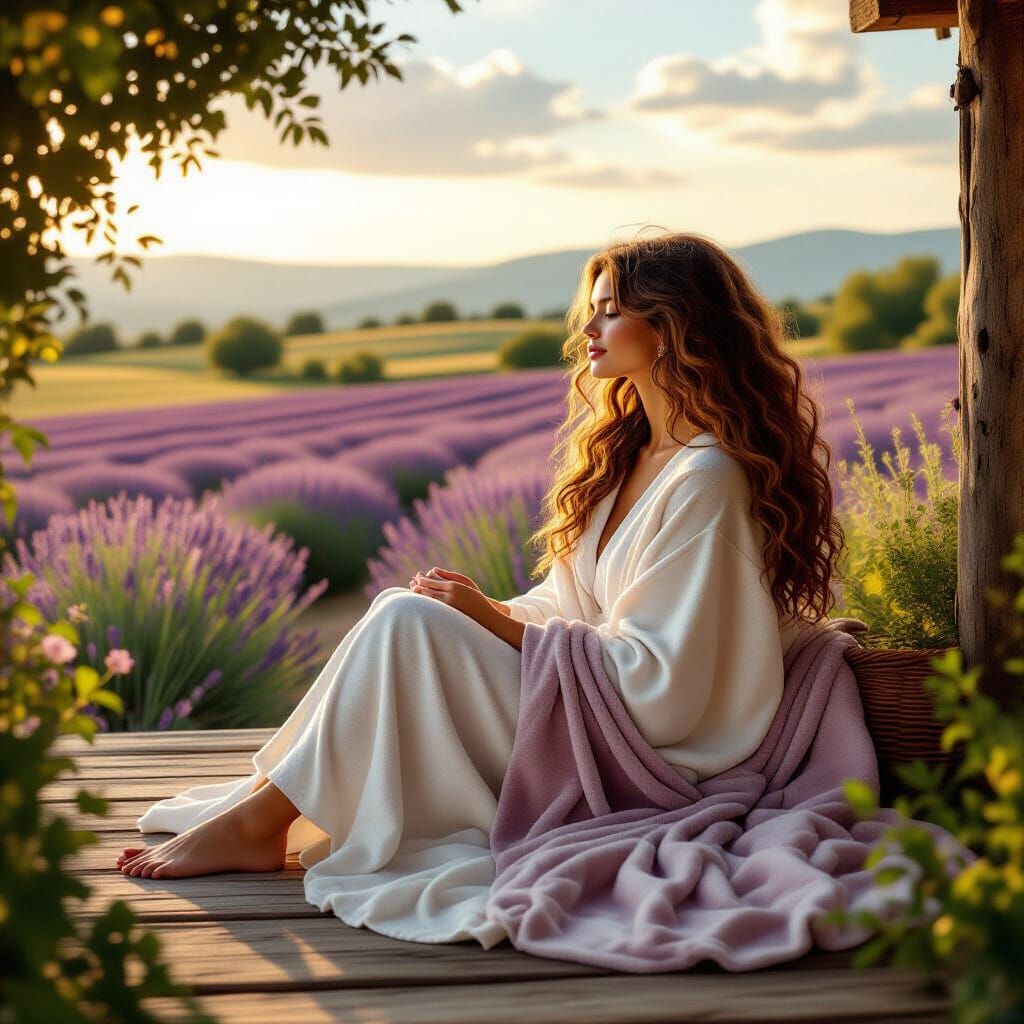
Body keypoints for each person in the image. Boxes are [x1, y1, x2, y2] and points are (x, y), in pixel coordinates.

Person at [116, 229, 846, 948]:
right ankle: (267, 809)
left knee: (405, 621)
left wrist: (491, 626)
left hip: (641, 750)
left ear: (672, 327)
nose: (587, 327)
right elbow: (570, 605)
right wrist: (490, 609)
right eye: (590, 309)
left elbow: (664, 686)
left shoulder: (706, 480)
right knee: (404, 611)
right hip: (587, 706)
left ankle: (262, 820)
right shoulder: (634, 455)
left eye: (611, 310)